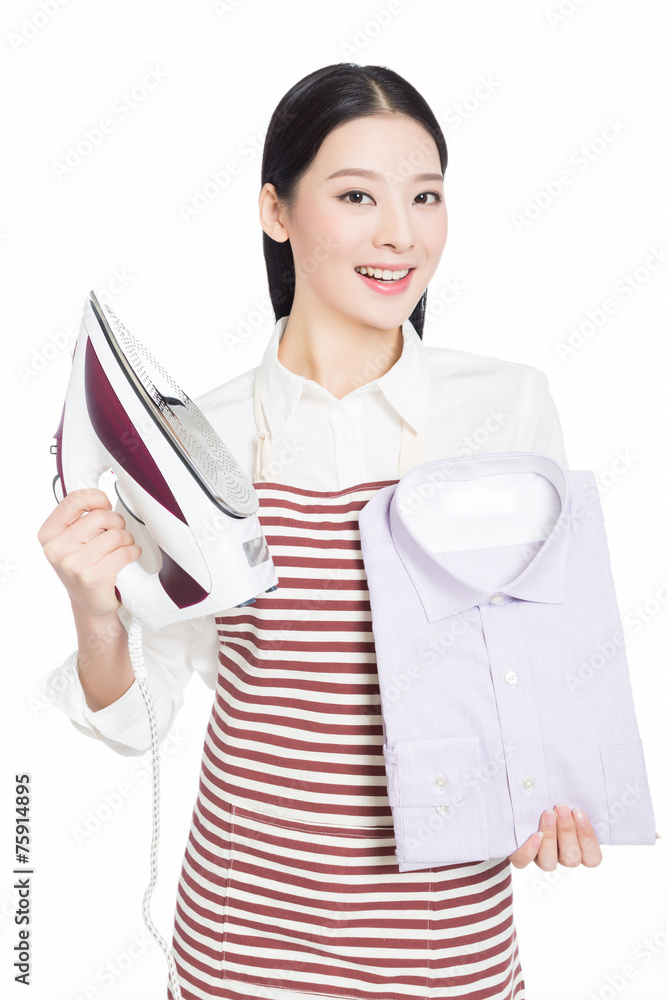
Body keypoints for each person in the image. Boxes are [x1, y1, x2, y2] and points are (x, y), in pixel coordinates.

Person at [37, 62, 602, 1000]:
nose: (400, 233)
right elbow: (141, 722)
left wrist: (554, 787)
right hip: (241, 948)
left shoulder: (506, 407)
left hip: (444, 946)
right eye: (356, 195)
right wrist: (95, 613)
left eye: (425, 196)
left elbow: (543, 658)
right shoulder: (195, 441)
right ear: (276, 211)